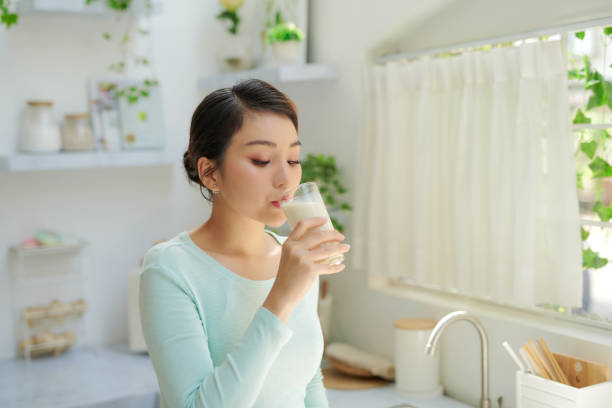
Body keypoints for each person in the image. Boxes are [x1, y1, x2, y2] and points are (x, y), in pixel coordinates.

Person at [139, 79, 351, 408]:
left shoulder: (295, 256)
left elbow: (308, 380)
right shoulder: (169, 269)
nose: (285, 179)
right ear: (210, 173)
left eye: (293, 160)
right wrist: (281, 296)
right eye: (262, 160)